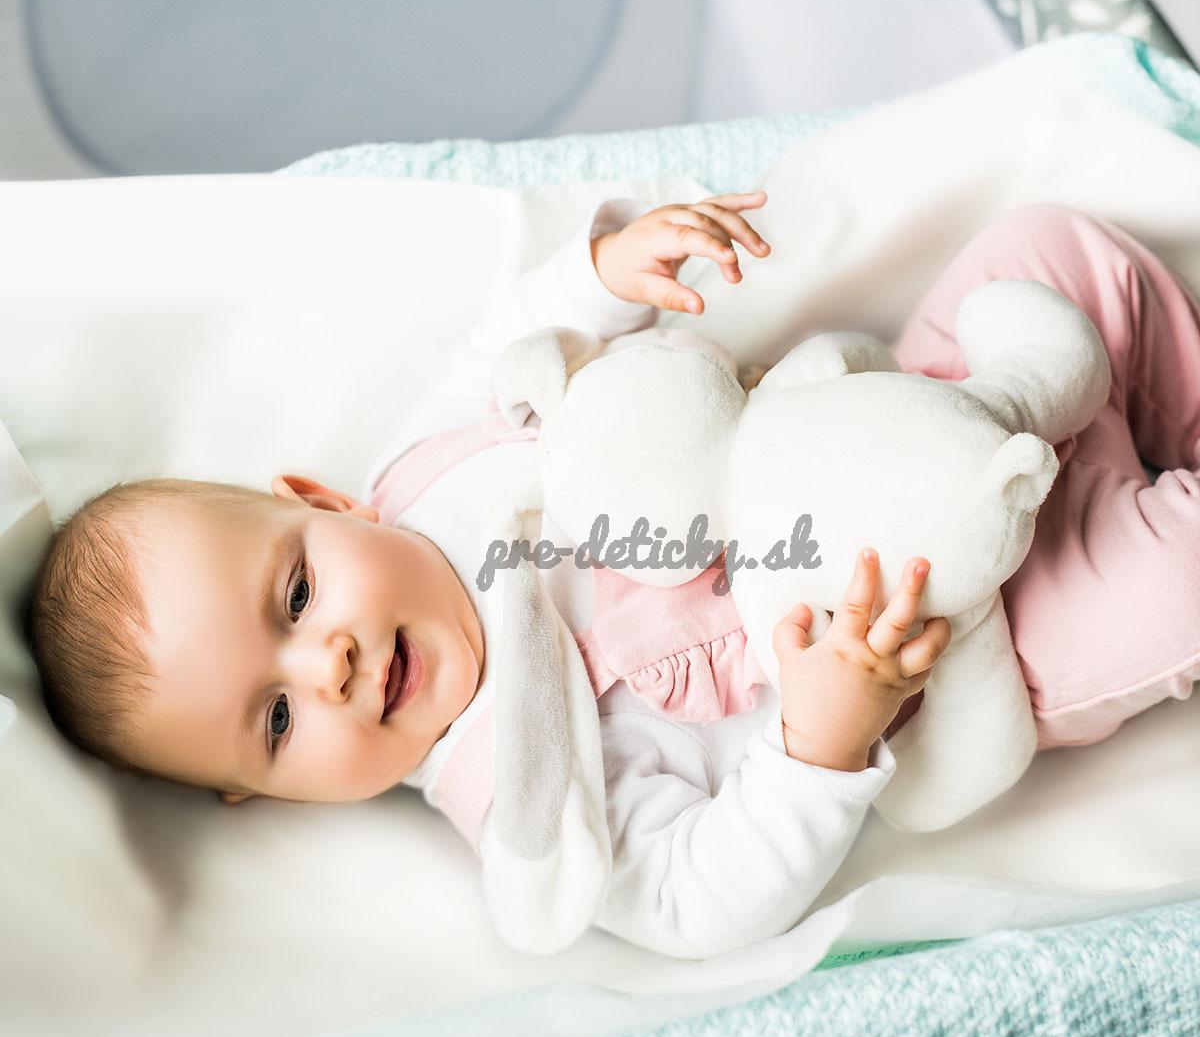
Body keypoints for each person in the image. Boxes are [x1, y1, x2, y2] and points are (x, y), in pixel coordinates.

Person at [23, 191, 1196, 959]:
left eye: (294, 596)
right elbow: (693, 900)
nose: (326, 664)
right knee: (1166, 589)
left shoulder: (427, 468)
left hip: (914, 406)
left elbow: (504, 342)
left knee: (1046, 255)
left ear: (324, 504)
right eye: (277, 720)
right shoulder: (524, 794)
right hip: (977, 629)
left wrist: (605, 273)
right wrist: (821, 744)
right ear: (271, 794)